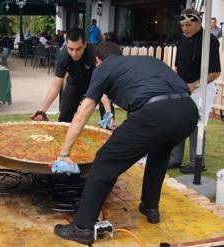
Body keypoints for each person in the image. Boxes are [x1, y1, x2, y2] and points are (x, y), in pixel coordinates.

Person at [53, 42, 199, 245]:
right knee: (159, 154)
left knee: (105, 161)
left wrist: (64, 153)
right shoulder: (148, 61)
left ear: (98, 60)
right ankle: (150, 207)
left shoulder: (104, 67)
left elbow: (83, 111)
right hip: (188, 112)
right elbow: (176, 88)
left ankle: (82, 228)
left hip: (156, 112)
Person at [168, 8, 221, 174]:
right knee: (178, 122)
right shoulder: (182, 40)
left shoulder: (209, 41)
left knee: (196, 124)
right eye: (182, 25)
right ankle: (176, 158)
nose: (185, 29)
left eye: (189, 24)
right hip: (183, 87)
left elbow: (214, 73)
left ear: (198, 22)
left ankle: (197, 161)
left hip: (202, 88)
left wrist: (194, 85)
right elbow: (178, 66)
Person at [30, 28, 111, 123]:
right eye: (71, 49)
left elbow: (102, 87)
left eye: (78, 49)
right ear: (67, 45)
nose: (74, 53)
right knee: (64, 116)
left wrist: (108, 112)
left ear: (85, 44)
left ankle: (108, 126)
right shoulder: (63, 55)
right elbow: (55, 87)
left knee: (107, 114)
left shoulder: (95, 55)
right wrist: (42, 110)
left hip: (95, 83)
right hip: (74, 83)